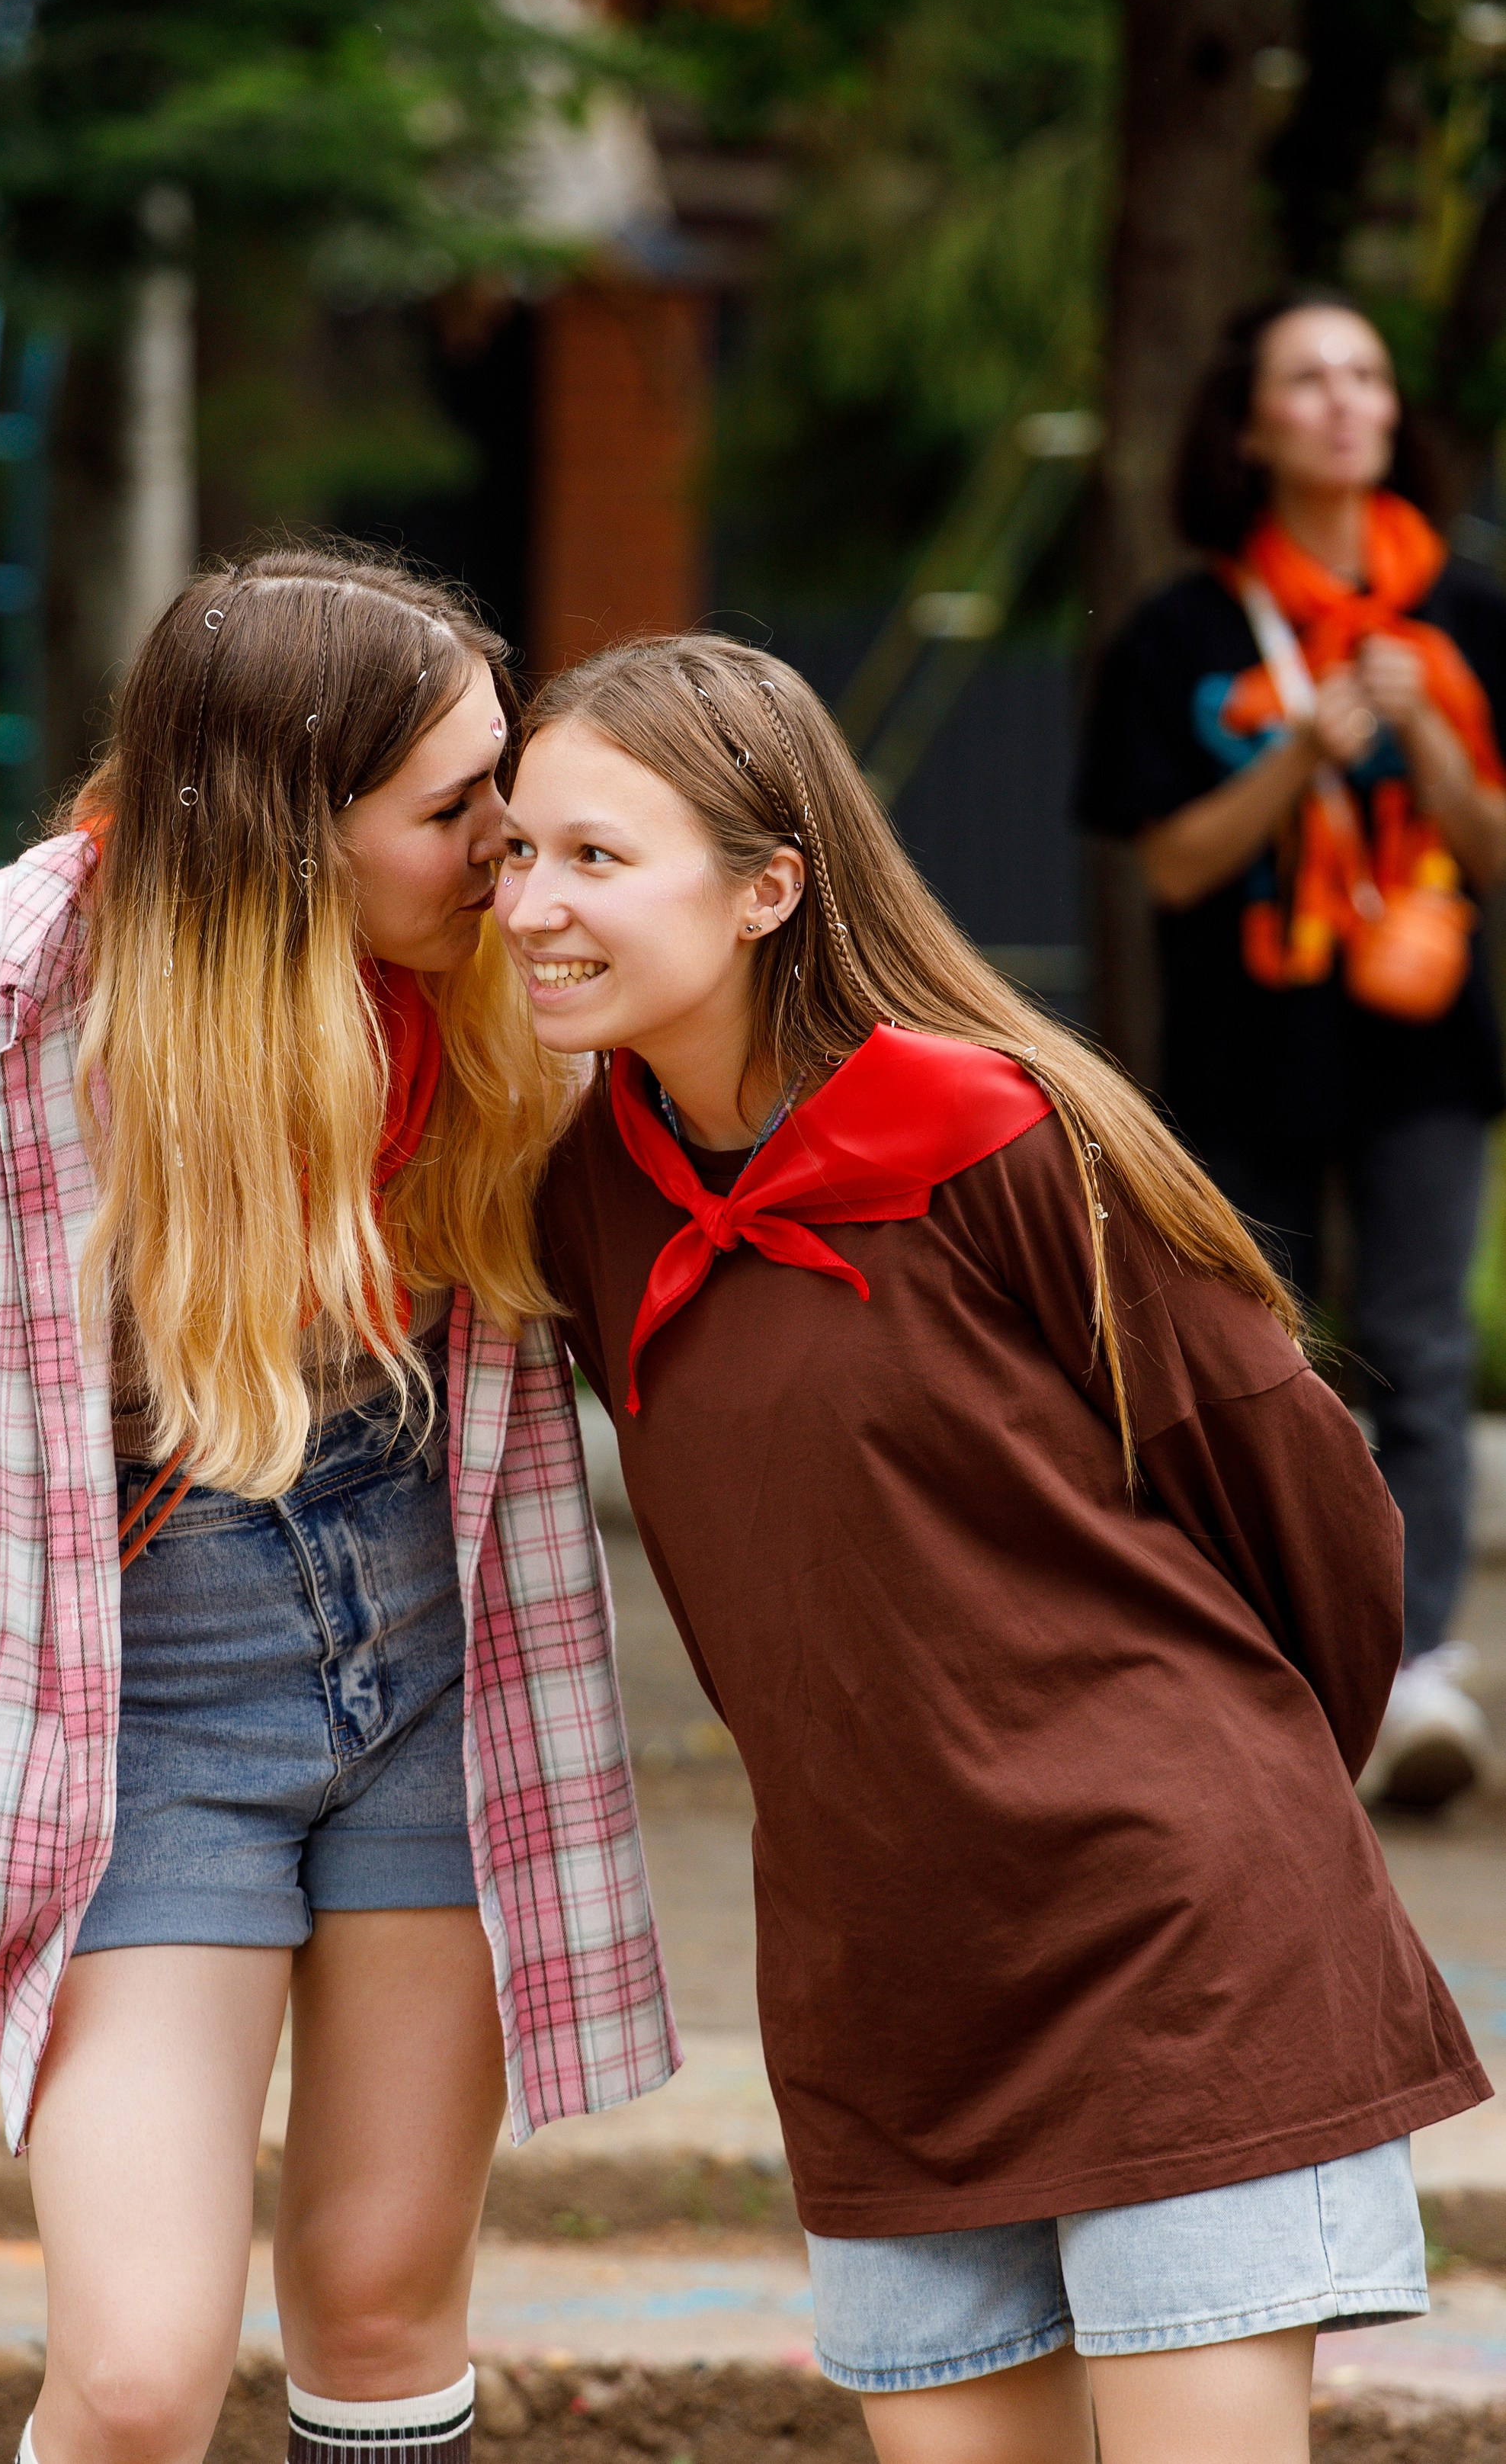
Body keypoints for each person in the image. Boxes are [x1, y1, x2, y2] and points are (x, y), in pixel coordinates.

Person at [493, 631, 1488, 2464]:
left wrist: (1214, 1783)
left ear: (770, 886)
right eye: (511, 856)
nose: (532, 904)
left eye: (592, 857)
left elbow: (1308, 1502)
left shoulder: (1009, 1135)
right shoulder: (588, 1199)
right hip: (887, 1982)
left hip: (1175, 1942)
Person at [0, 547, 677, 2464]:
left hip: (435, 1650)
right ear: (285, 828)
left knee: (384, 2296)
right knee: (145, 2366)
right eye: (454, 808)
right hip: (147, 1693)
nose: (511, 848)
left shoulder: (503, 981)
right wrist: (15, 1633)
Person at [1077, 291, 1506, 1808]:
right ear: (1250, 427)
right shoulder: (1182, 631)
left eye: (1366, 375)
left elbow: (1496, 847)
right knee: (1256, 1354)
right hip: (1245, 1048)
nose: (1344, 400)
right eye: (1307, 379)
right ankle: (1273, 1656)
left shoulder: (1467, 611)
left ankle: (1424, 1673)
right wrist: (1300, 751)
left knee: (1423, 1352)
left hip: (1426, 1044)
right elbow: (1177, 865)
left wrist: (1436, 747)